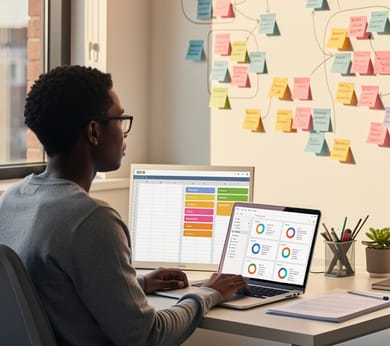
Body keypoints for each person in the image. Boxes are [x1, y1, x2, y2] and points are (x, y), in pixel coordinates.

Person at [0, 65, 248, 345]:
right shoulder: (92, 218)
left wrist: (139, 283)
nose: (125, 132)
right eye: (120, 119)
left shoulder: (11, 199)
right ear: (94, 131)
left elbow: (51, 293)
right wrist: (209, 293)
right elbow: (148, 336)